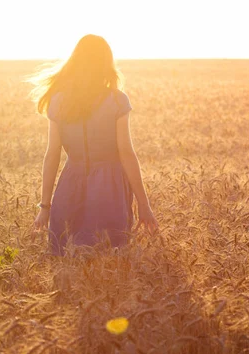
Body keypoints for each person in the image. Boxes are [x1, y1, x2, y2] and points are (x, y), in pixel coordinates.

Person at [29, 34, 158, 256]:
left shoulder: (58, 101)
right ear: (106, 64)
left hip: (69, 188)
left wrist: (45, 207)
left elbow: (52, 155)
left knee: (67, 258)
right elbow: (126, 153)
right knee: (108, 258)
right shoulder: (117, 100)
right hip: (109, 189)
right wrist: (144, 205)